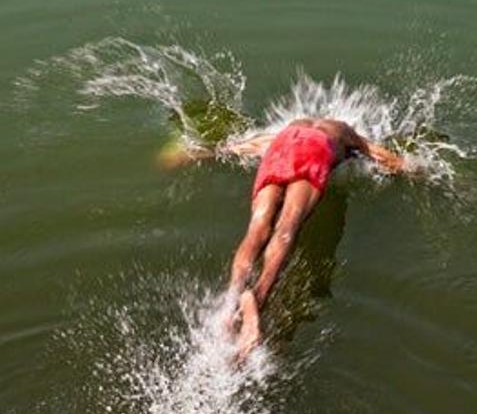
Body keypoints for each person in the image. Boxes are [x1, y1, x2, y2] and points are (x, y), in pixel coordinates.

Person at [166, 117, 416, 360]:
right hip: (315, 151)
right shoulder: (346, 134)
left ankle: (232, 300)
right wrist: (411, 169)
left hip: (280, 147)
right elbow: (381, 156)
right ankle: (259, 296)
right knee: (287, 227)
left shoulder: (288, 129)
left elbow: (241, 147)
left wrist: (201, 154)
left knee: (257, 228)